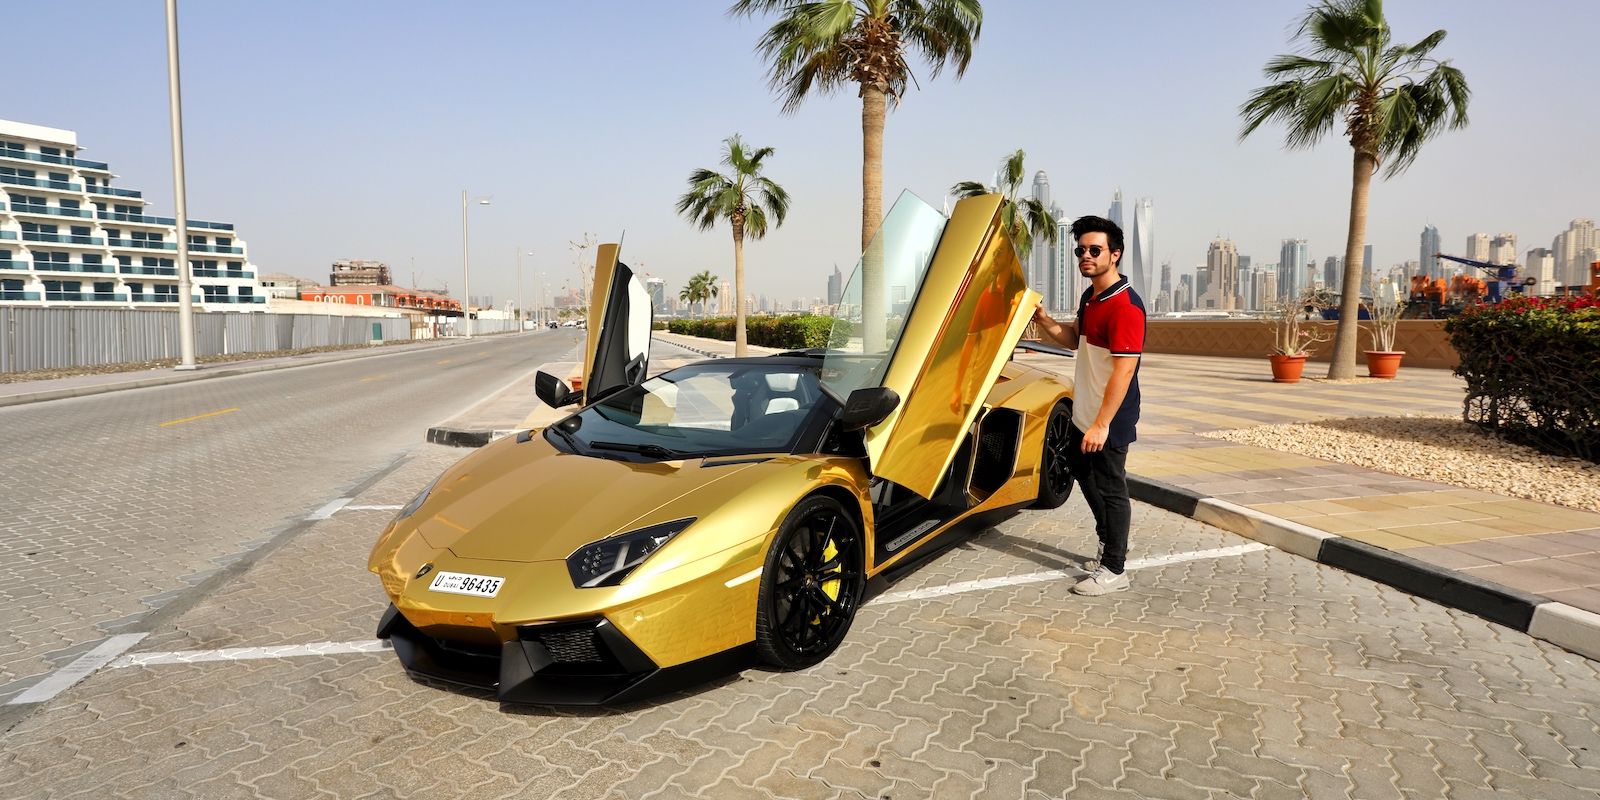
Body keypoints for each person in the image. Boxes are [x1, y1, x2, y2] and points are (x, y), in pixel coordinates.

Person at [1029, 215, 1146, 596]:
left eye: (1095, 250)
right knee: (1080, 468)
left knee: (1112, 487)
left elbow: (1124, 372)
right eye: (1080, 250)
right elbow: (1073, 340)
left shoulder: (1126, 306)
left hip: (1109, 417)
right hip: (1086, 410)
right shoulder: (1090, 298)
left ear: (1116, 254)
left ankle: (1115, 568)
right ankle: (1109, 539)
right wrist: (1044, 319)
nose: (1085, 256)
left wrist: (1101, 424)